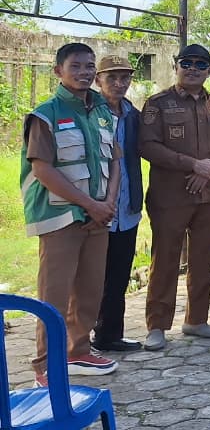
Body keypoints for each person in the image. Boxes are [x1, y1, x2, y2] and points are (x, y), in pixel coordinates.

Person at [23, 43, 120, 384]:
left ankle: (78, 351)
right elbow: (43, 170)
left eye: (89, 65)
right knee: (55, 292)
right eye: (76, 66)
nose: (84, 72)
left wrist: (107, 203)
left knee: (90, 288)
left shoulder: (104, 112)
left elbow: (115, 161)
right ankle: (45, 365)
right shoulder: (46, 114)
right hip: (61, 217)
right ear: (58, 71)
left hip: (97, 217)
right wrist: (90, 204)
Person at [139, 44, 210, 351]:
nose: (193, 68)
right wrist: (192, 165)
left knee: (203, 260)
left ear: (209, 70)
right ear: (176, 66)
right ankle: (156, 325)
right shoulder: (158, 104)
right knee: (166, 260)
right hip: (171, 196)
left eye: (201, 64)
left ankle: (196, 320)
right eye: (187, 63)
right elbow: (147, 145)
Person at [91, 55, 143, 355]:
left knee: (119, 275)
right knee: (90, 277)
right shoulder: (90, 112)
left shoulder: (132, 114)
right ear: (99, 80)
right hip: (96, 206)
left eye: (125, 78)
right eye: (112, 78)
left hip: (127, 208)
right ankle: (79, 340)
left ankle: (109, 335)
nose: (120, 83)